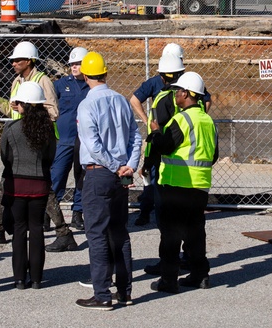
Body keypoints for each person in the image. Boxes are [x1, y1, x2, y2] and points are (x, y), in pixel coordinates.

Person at [0, 41, 76, 252]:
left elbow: (53, 112)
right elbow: (12, 111)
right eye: (13, 60)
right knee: (7, 183)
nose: (13, 63)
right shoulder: (17, 81)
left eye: (17, 60)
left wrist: (30, 109)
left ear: (30, 61)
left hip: (38, 140)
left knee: (42, 187)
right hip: (19, 138)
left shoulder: (43, 81)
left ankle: (63, 232)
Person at [75, 51, 142, 311]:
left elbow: (93, 146)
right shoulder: (121, 100)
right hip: (120, 176)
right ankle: (124, 292)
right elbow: (135, 137)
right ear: (105, 73)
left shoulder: (87, 104)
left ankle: (102, 294)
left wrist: (116, 167)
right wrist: (129, 166)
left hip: (99, 173)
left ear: (86, 75)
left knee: (97, 234)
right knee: (120, 234)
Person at [148, 72, 218, 294]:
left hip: (177, 185)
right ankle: (200, 275)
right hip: (200, 186)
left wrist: (156, 133)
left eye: (179, 91)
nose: (176, 94)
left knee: (171, 235)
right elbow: (214, 154)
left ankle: (168, 281)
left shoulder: (181, 119)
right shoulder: (208, 121)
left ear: (187, 94)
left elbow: (166, 146)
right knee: (195, 233)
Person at [129, 42, 211, 226]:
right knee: (192, 221)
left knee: (157, 189)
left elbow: (135, 101)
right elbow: (206, 101)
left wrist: (150, 127)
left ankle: (152, 217)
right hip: (190, 163)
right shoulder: (191, 92)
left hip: (165, 151)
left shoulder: (162, 98)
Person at [1, 81, 57, 289]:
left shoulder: (11, 128)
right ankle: (36, 278)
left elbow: (4, 156)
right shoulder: (48, 129)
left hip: (16, 184)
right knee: (36, 229)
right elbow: (51, 156)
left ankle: (18, 278)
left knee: (19, 230)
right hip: (40, 184)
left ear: (23, 105)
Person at [53, 47, 90, 231]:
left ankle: (77, 214)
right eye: (72, 64)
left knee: (81, 178)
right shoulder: (61, 85)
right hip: (65, 141)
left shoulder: (92, 86)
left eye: (78, 64)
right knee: (57, 176)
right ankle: (49, 214)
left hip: (84, 142)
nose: (74, 67)